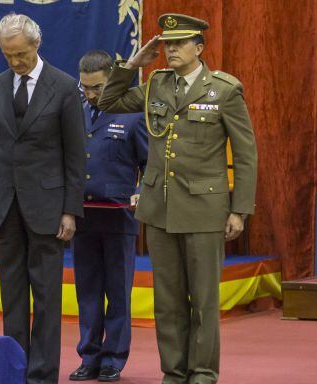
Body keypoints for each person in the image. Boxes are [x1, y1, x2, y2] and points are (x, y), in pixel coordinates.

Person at [97, 14, 257, 384]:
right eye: (166, 43)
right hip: (160, 207)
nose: (169, 49)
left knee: (202, 299)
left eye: (178, 43)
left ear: (199, 48)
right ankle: (174, 370)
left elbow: (246, 153)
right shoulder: (156, 84)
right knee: (167, 301)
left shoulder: (224, 89)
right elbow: (109, 103)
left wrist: (239, 210)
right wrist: (132, 65)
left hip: (204, 208)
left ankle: (202, 372)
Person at [0, 13, 86, 384]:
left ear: (36, 45)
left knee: (46, 298)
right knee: (12, 297)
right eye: (8, 56)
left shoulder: (65, 86)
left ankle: (42, 375)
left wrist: (71, 210)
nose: (15, 62)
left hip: (48, 208)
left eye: (20, 54)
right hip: (6, 206)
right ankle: (14, 370)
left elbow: (75, 155)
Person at [69, 50, 147, 382]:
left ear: (111, 78)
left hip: (118, 215)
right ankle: (89, 355)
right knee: (86, 291)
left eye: (97, 87)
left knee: (117, 292)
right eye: (85, 87)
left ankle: (114, 358)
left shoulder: (132, 114)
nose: (90, 94)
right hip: (82, 215)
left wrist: (143, 193)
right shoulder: (75, 113)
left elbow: (149, 162)